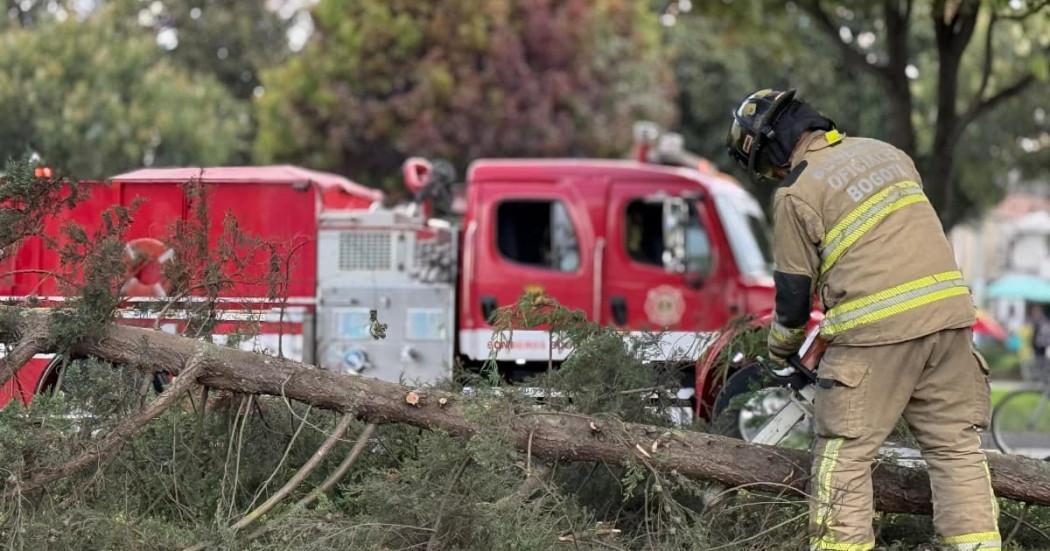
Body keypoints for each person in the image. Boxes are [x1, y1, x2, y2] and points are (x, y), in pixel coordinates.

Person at [726, 89, 999, 551]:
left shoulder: (797, 192)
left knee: (845, 453)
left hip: (876, 332)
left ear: (772, 146)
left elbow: (793, 296)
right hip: (951, 318)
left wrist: (780, 351)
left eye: (769, 167)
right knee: (955, 446)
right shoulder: (888, 153)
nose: (775, 176)